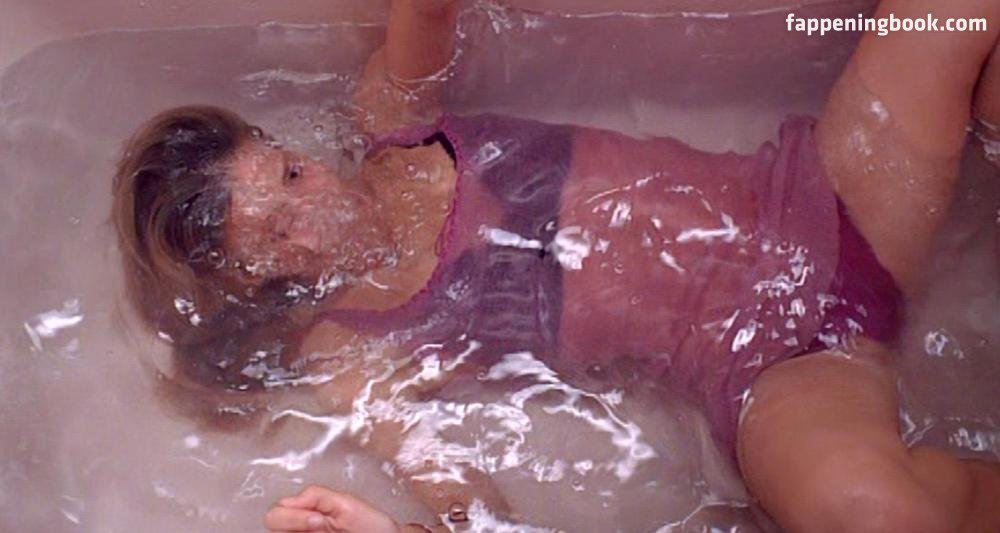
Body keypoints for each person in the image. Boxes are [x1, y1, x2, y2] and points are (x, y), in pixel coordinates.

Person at [111, 0, 1000, 531]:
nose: (315, 212)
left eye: (290, 174)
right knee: (878, 516)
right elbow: (464, 497)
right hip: (774, 370)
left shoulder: (391, 124)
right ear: (251, 281)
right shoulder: (346, 348)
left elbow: (428, 11)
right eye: (276, 235)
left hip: (829, 189)